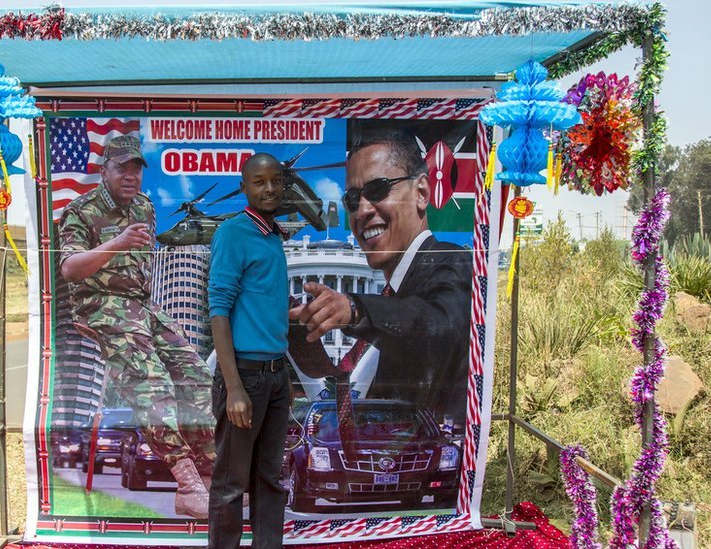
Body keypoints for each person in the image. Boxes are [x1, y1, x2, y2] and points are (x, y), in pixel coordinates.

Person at [58, 135, 215, 519]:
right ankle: (187, 482)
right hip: (100, 304)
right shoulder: (82, 210)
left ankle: (210, 475)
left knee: (195, 371)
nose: (130, 176)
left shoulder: (144, 206)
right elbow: (69, 268)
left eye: (136, 169)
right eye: (121, 168)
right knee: (152, 380)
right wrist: (120, 242)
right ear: (104, 171)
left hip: (141, 304)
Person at [289, 128, 472, 425]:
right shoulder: (394, 293)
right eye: (352, 199)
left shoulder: (451, 263)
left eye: (378, 190)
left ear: (422, 193)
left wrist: (356, 310)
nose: (362, 210)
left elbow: (438, 327)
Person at [207, 153, 290, 549]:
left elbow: (257, 302)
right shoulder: (233, 233)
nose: (269, 188)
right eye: (259, 181)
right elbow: (218, 311)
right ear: (244, 187)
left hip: (277, 376)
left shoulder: (271, 234)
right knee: (231, 483)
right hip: (246, 377)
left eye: (276, 180)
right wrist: (234, 387)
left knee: (270, 479)